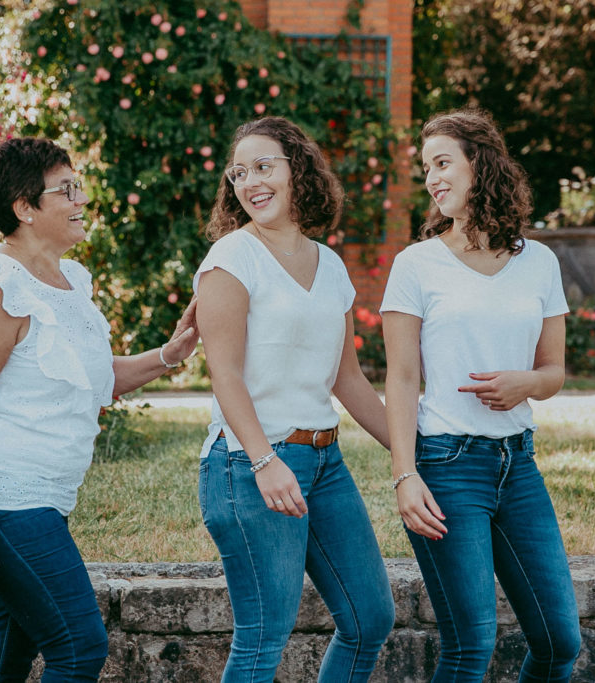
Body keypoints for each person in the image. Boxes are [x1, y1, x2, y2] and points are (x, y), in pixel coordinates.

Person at [0, 137, 198, 682]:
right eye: (66, 190)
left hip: (39, 500)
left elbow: (93, 379)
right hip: (1, 501)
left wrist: (170, 355)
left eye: (80, 187)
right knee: (78, 647)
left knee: (3, 662)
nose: (81, 200)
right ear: (25, 208)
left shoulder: (69, 282)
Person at [380, 108, 582, 680]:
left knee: (558, 641)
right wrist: (405, 473)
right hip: (445, 466)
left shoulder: (538, 261)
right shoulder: (415, 265)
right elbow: (400, 378)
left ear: (480, 165)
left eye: (443, 162)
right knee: (471, 646)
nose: (432, 178)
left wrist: (528, 384)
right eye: (426, 168)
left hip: (517, 464)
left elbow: (554, 371)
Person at [193, 116, 395, 682]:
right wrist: (264, 460)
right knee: (263, 638)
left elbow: (347, 379)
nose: (250, 181)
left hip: (325, 461)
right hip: (249, 464)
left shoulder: (330, 265)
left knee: (370, 619)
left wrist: (410, 452)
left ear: (297, 169)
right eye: (239, 172)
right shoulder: (231, 259)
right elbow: (225, 375)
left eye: (264, 166)